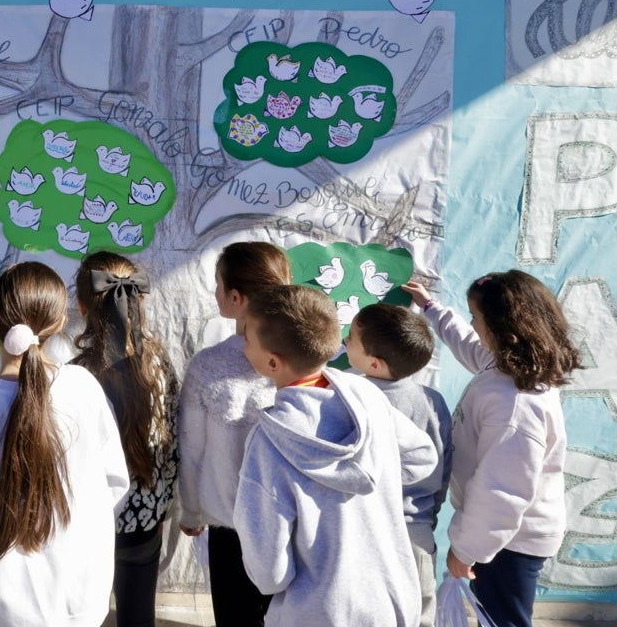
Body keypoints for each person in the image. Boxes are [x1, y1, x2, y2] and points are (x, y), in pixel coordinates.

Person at [0, 261, 130, 627]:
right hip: (81, 603)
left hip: (2, 608)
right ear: (62, 322)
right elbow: (114, 485)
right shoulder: (84, 389)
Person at [234, 284, 436, 627]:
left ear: (271, 362)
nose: (243, 345)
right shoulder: (366, 395)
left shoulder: (268, 443)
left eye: (247, 338)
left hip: (318, 611)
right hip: (391, 600)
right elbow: (421, 457)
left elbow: (270, 575)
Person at [404, 272, 580, 627]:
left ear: (503, 331)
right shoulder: (510, 367)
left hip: (510, 540)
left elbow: (503, 490)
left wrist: (467, 550)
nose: (472, 324)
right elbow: (468, 343)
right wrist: (431, 308)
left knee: (504, 620)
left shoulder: (515, 403)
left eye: (476, 317)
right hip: (500, 533)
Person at [177, 240, 290, 626]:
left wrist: (191, 509)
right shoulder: (304, 363)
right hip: (291, 526)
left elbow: (191, 448)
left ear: (236, 298)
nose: (214, 292)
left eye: (218, 284)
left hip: (230, 526)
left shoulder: (207, 366)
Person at [72, 252, 179, 627]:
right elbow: (171, 446)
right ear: (140, 302)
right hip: (144, 520)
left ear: (82, 305)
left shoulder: (75, 376)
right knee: (137, 616)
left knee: (81, 615)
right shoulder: (160, 365)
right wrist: (161, 505)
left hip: (88, 523)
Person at [344, 302, 454, 627]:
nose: (344, 340)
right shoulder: (433, 402)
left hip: (360, 532)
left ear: (374, 363)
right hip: (416, 531)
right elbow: (443, 471)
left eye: (351, 337)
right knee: (418, 618)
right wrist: (427, 518)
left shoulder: (351, 398)